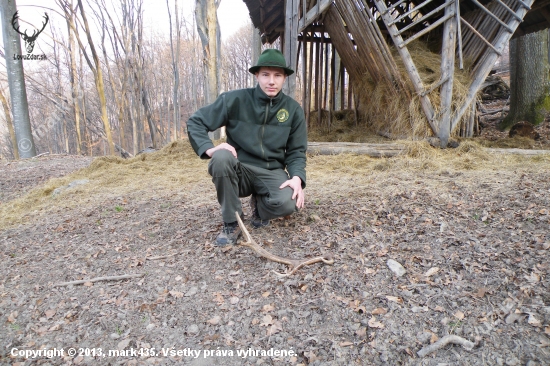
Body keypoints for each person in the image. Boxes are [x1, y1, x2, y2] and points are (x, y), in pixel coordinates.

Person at [187, 49, 307, 246]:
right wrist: (208, 148)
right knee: (221, 158)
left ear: (284, 78)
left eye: (277, 75)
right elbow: (196, 122)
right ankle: (232, 222)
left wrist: (297, 177)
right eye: (266, 74)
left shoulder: (293, 110)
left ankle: (260, 206)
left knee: (289, 203)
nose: (271, 81)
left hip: (271, 170)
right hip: (239, 169)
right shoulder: (234, 100)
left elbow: (296, 151)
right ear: (256, 75)